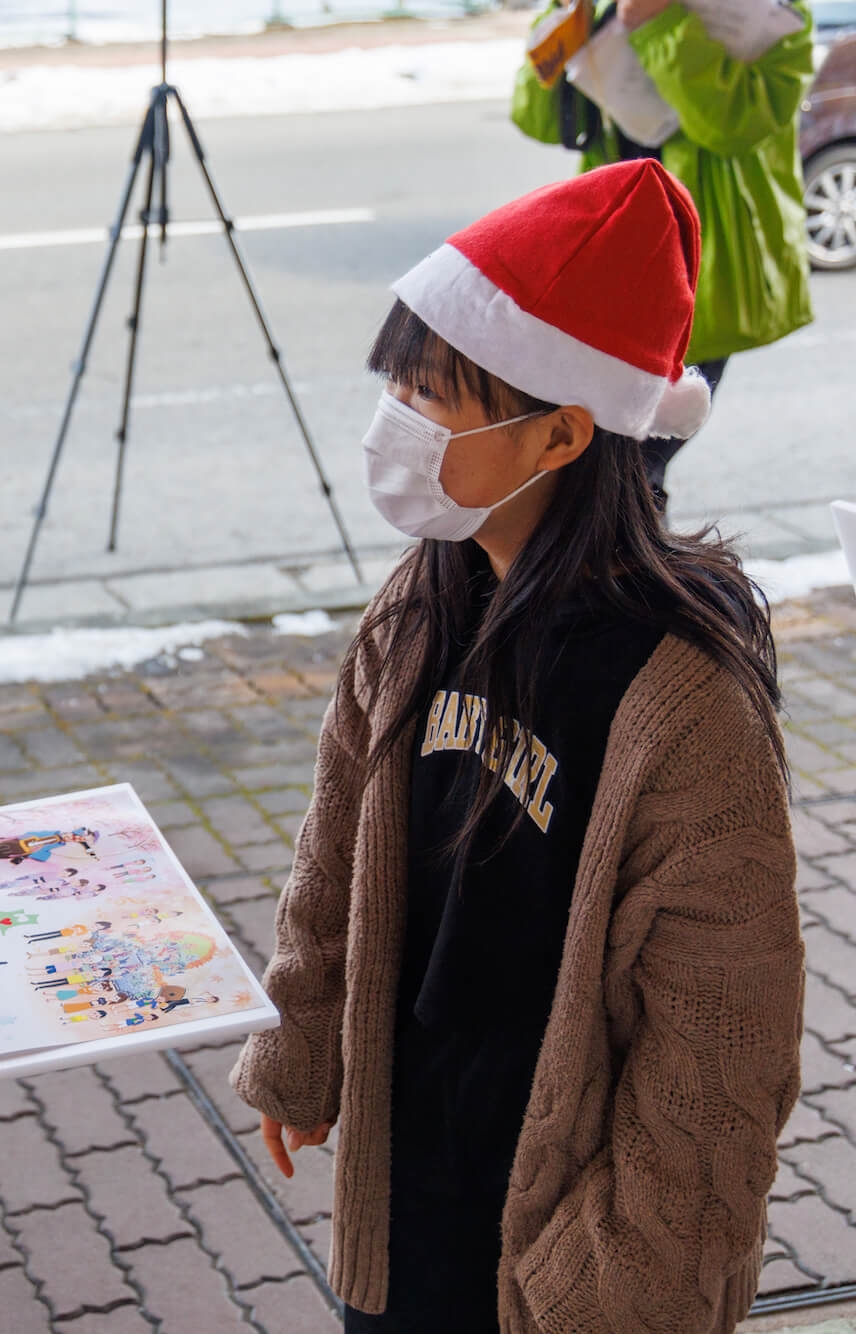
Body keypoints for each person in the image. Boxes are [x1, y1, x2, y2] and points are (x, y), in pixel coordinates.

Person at [232, 160, 801, 1332]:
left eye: (431, 392)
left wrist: (618, 1284)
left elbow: (720, 1049)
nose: (393, 415)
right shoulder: (420, 600)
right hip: (408, 1184)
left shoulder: (679, 700)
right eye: (396, 377)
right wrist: (300, 1036)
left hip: (561, 1240)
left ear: (558, 432)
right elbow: (336, 841)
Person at [512, 0, 815, 509]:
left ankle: (632, 572)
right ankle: (614, 564)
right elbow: (535, 117)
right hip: (611, 251)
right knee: (592, 458)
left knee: (640, 460)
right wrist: (570, 22)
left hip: (704, 266)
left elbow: (735, 122)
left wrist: (658, 27)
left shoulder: (772, 14)